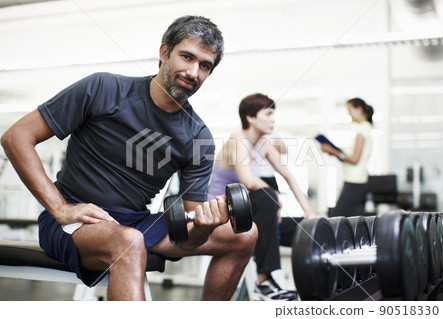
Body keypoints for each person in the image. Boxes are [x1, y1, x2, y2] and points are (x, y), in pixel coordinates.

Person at [1, 15, 258, 301]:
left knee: (244, 235)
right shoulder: (103, 89)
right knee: (129, 242)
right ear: (164, 52)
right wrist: (60, 209)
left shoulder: (199, 137)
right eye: (187, 57)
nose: (193, 72)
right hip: (74, 221)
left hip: (135, 221)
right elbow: (16, 137)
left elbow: (187, 233)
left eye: (205, 66)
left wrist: (203, 226)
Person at [207, 93, 314, 301]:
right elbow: (247, 180)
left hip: (248, 215)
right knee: (266, 195)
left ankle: (314, 288)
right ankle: (263, 282)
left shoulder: (264, 144)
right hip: (224, 215)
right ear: (250, 118)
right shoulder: (237, 139)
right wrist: (274, 195)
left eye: (274, 114)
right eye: (268, 114)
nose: (273, 119)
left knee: (307, 230)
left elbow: (290, 177)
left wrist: (310, 213)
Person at [320, 97, 374, 217]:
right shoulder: (365, 128)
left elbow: (354, 159)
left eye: (350, 110)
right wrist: (334, 152)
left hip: (355, 180)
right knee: (349, 218)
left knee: (337, 218)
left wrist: (332, 151)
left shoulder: (362, 129)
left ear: (359, 109)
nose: (348, 113)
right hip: (355, 179)